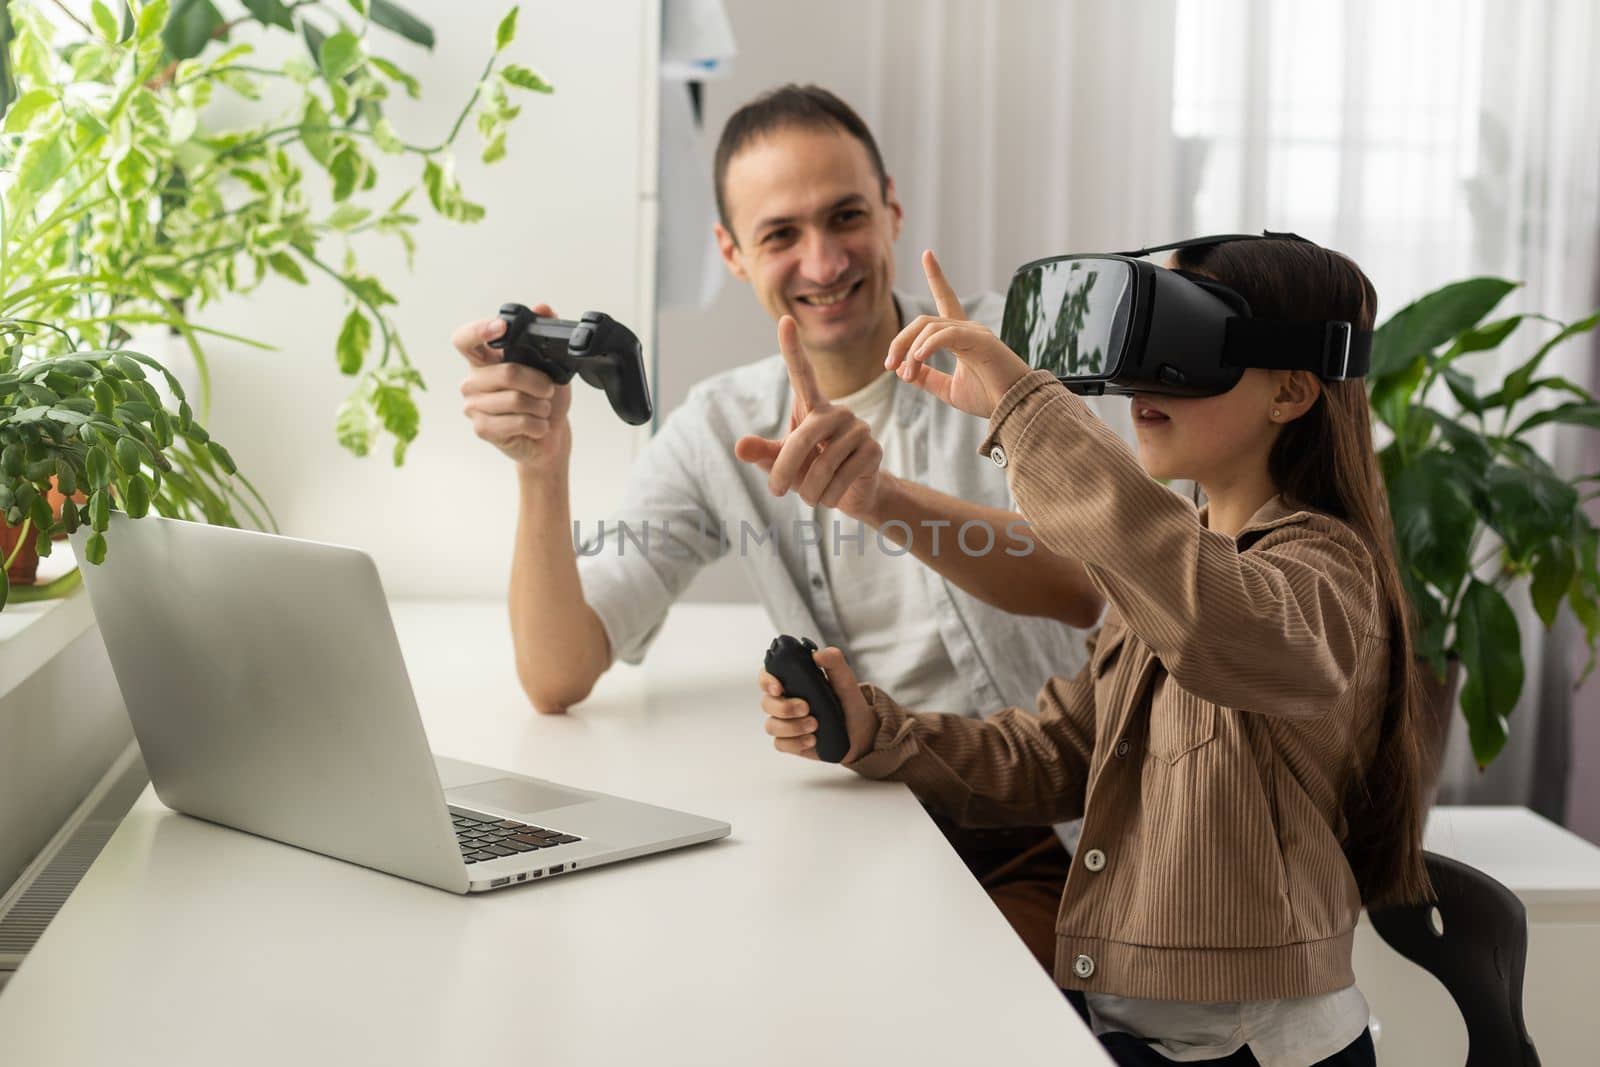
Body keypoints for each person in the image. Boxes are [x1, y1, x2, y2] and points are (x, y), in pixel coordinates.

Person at [455, 85, 1119, 965]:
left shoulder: (1004, 353)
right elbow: (556, 670)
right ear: (732, 251)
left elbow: (1091, 586)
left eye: (846, 215)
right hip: (865, 820)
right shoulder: (719, 427)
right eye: (780, 235)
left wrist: (882, 498)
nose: (823, 260)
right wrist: (543, 467)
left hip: (1039, 820)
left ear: (890, 208)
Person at [757, 237, 1430, 1066]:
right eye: (1143, 350)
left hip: (1252, 1049)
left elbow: (1212, 619)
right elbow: (1059, 752)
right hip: (1129, 1026)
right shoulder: (1180, 557)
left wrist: (1024, 408)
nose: (1145, 384)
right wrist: (879, 730)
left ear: (1291, 389)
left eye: (1186, 346)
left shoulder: (1325, 578)